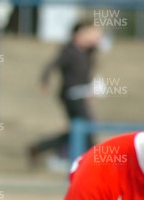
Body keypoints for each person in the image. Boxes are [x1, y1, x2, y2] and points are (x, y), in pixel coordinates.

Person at [28, 20, 102, 168]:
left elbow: (88, 75)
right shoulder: (69, 51)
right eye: (93, 32)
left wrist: (91, 92)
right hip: (70, 96)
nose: (97, 36)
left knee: (79, 129)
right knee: (84, 128)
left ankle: (39, 148)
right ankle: (92, 162)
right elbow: (51, 65)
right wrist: (45, 81)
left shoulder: (89, 52)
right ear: (80, 33)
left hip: (81, 95)